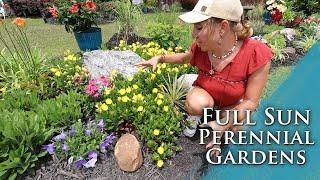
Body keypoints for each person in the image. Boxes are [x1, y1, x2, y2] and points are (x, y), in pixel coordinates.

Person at [136, 0, 273, 154]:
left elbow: (250, 102)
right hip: (205, 93)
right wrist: (160, 58)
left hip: (231, 103)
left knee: (239, 128)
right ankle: (199, 115)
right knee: (197, 103)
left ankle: (217, 119)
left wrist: (225, 122)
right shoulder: (202, 48)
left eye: (199, 28)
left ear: (223, 28)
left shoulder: (256, 53)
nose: (193, 34)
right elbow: (183, 58)